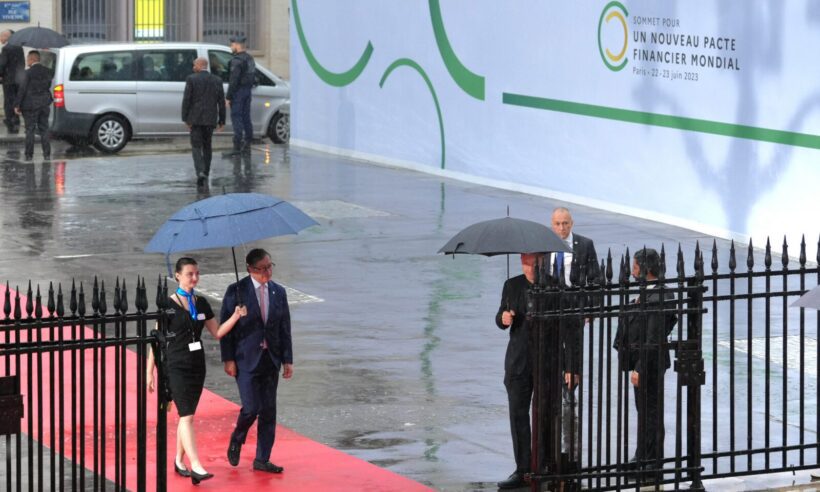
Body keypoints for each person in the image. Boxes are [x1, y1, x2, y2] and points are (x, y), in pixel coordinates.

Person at [146, 257, 247, 485]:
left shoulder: (200, 303)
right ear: (178, 276)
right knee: (187, 416)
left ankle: (179, 461)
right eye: (190, 274)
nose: (194, 278)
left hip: (196, 365)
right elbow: (155, 340)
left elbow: (218, 332)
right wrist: (149, 372)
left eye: (197, 274)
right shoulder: (168, 305)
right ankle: (196, 466)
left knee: (186, 414)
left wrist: (235, 316)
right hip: (176, 365)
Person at [220, 248, 293, 473]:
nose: (267, 272)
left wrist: (288, 360)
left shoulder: (278, 292)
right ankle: (237, 438)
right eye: (262, 269)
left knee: (269, 410)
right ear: (250, 269)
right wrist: (228, 359)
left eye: (270, 266)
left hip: (271, 358)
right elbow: (225, 329)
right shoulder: (236, 291)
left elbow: (284, 327)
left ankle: (262, 458)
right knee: (251, 408)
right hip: (246, 359)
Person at [613, 248, 676, 474]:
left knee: (651, 412)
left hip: (650, 363)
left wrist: (639, 368)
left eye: (636, 266)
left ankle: (652, 461)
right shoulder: (647, 292)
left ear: (647, 269)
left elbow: (653, 337)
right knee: (644, 411)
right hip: (642, 360)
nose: (632, 270)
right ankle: (642, 455)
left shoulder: (660, 295)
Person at [548, 206, 600, 470]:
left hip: (574, 304)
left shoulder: (584, 245)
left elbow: (596, 279)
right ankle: (555, 384)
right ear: (552, 224)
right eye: (557, 224)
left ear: (572, 223)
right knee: (553, 348)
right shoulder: (545, 245)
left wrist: (590, 308)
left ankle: (571, 387)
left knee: (575, 349)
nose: (561, 228)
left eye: (565, 223)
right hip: (552, 306)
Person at [495, 253, 544, 489]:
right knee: (518, 416)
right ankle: (523, 469)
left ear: (541, 263)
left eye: (533, 263)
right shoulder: (512, 285)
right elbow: (499, 317)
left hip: (546, 361)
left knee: (546, 416)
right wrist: (503, 318)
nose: (529, 268)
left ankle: (544, 465)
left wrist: (570, 366)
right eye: (525, 263)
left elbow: (567, 330)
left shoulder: (554, 287)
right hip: (518, 362)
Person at [181, 57, 226, 186]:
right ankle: (205, 172)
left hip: (195, 119)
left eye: (194, 65)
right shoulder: (217, 80)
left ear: (199, 65)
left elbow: (187, 100)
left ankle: (200, 171)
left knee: (196, 146)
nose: (193, 67)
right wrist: (222, 120)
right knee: (207, 146)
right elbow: (221, 102)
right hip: (210, 119)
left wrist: (185, 118)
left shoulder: (191, 79)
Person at [14, 51, 53, 161]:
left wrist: (17, 104)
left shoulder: (27, 73)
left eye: (27, 59)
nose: (26, 61)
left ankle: (29, 155)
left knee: (30, 130)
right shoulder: (48, 72)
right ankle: (47, 154)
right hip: (44, 104)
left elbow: (22, 90)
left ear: (32, 59)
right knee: (44, 129)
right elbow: (47, 86)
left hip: (30, 105)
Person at [222, 35, 256, 158]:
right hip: (247, 91)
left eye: (232, 45)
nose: (231, 47)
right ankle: (247, 145)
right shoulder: (250, 59)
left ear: (237, 45)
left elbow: (233, 81)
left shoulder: (237, 61)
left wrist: (228, 97)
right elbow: (253, 76)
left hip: (239, 92)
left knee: (236, 117)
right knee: (246, 117)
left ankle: (237, 147)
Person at [0, 29, 24, 133]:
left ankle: (10, 122)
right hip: (18, 79)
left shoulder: (6, 48)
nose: (0, 38)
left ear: (7, 36)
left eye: (1, 36)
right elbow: (22, 63)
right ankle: (16, 121)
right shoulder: (19, 47)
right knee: (16, 101)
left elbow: (2, 64)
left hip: (8, 80)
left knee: (8, 101)